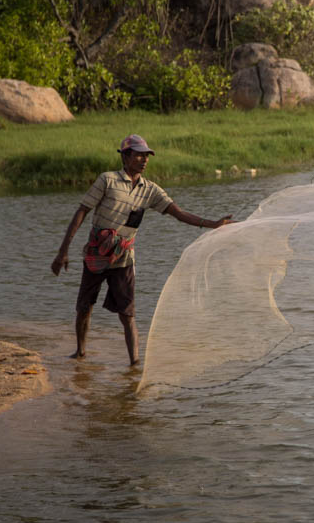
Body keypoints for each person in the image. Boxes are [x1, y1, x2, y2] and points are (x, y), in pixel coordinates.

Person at [50, 134, 234, 366]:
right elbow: (81, 212)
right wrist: (62, 251)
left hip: (124, 258)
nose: (144, 160)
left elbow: (179, 213)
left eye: (146, 156)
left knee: (127, 314)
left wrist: (213, 224)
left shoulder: (150, 191)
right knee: (84, 307)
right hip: (96, 256)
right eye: (138, 155)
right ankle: (80, 352)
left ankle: (134, 364)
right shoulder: (107, 180)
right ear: (125, 157)